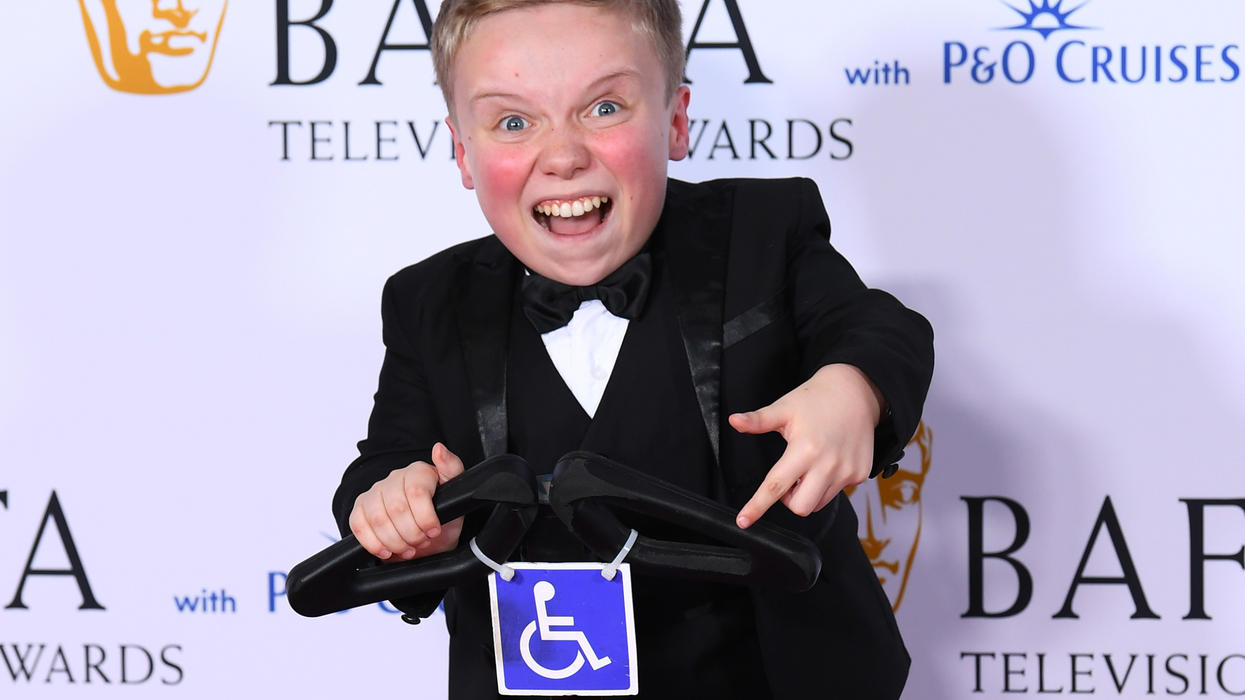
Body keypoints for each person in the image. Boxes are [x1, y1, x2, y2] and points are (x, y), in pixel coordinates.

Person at [331, 1, 934, 698]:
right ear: (464, 153)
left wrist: (850, 388)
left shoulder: (764, 231)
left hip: (774, 676)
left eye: (604, 108)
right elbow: (382, 464)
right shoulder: (426, 301)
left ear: (674, 121)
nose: (562, 156)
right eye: (513, 122)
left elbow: (877, 328)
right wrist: (399, 511)